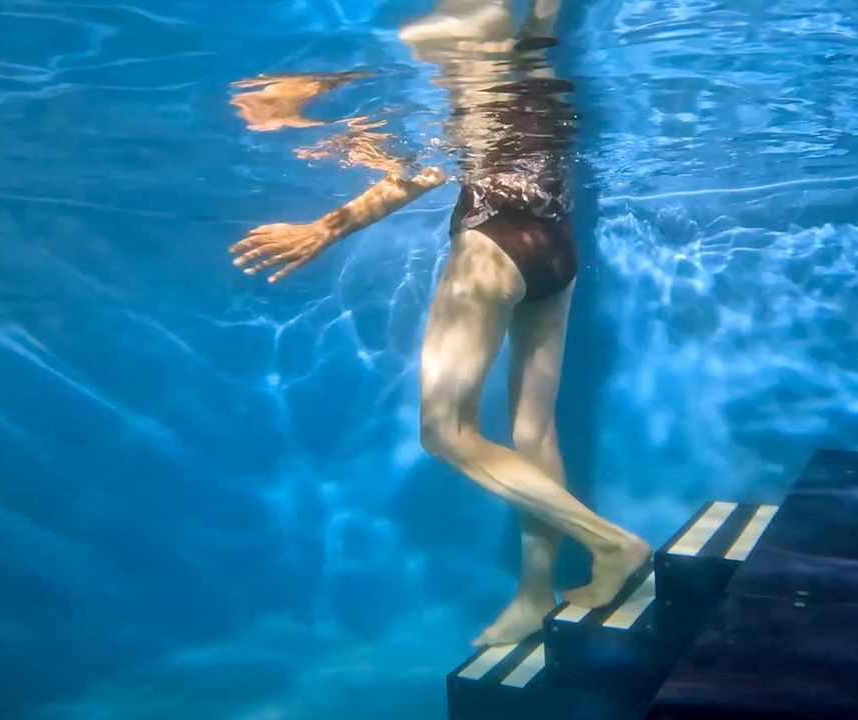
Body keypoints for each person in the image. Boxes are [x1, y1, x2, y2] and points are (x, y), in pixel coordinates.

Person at [227, 0, 651, 647]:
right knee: (532, 426)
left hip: (493, 241)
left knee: (445, 431)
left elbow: (417, 173)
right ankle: (536, 594)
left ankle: (612, 545)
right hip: (556, 244)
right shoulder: (529, 25)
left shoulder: (443, 28)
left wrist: (320, 208)